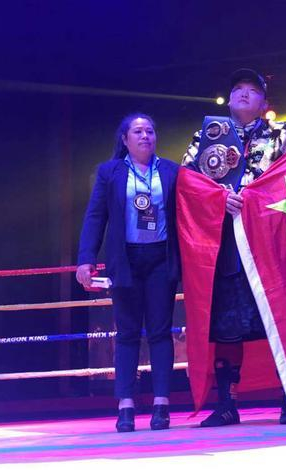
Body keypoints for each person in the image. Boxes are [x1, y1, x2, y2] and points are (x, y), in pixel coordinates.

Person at [181, 68, 286, 427]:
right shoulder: (207, 135)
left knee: (278, 321)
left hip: (270, 246)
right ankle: (226, 405)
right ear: (228, 99)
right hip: (226, 246)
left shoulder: (282, 134)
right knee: (227, 326)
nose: (243, 93)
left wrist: (253, 201)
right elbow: (188, 182)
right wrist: (219, 199)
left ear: (264, 102)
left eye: (252, 89)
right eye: (237, 88)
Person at [76, 113, 180, 432]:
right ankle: (125, 406)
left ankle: (162, 404)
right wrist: (86, 258)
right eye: (138, 131)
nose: (145, 136)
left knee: (160, 331)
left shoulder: (171, 170)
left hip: (161, 258)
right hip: (125, 261)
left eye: (150, 131)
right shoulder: (110, 172)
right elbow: (96, 216)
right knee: (127, 333)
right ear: (125, 139)